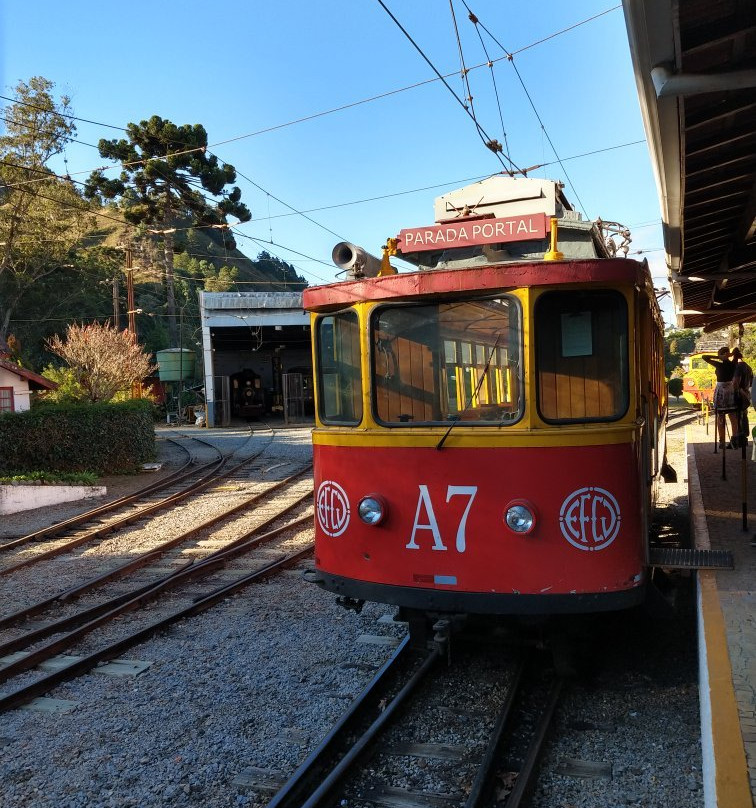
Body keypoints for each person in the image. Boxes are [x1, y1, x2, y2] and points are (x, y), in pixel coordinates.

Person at [703, 346, 738, 447]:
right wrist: (728, 356)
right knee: (732, 416)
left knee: (721, 417)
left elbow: (705, 357)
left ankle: (722, 441)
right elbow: (736, 354)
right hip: (730, 390)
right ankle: (733, 439)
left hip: (721, 390)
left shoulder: (719, 364)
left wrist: (719, 357)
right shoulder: (733, 364)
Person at [731, 348, 753, 447]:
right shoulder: (748, 367)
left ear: (734, 356)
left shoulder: (738, 367)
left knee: (737, 417)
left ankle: (738, 439)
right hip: (747, 395)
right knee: (744, 416)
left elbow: (736, 383)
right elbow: (751, 383)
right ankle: (744, 438)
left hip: (739, 395)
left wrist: (737, 390)